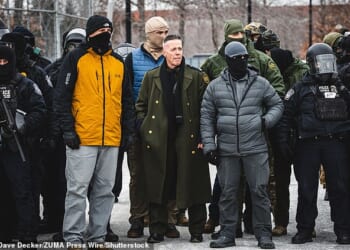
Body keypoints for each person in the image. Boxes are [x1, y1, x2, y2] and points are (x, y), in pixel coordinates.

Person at [54, 15, 135, 249]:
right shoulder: (75, 59)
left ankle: (97, 235)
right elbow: (61, 98)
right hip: (82, 139)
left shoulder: (119, 63)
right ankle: (73, 236)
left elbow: (127, 101)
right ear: (90, 34)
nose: (105, 35)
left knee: (105, 191)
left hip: (110, 138)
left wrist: (128, 132)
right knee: (77, 189)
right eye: (100, 31)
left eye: (108, 31)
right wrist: (67, 130)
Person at [201, 18, 285, 235]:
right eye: (233, 34)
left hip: (256, 136)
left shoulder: (261, 61)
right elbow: (205, 103)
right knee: (227, 187)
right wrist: (211, 136)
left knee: (258, 187)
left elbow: (278, 94)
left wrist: (264, 120)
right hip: (227, 139)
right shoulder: (214, 63)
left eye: (241, 34)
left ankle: (259, 228)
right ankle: (228, 227)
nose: (238, 37)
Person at [135, 34, 211, 244]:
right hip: (159, 140)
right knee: (158, 185)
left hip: (189, 138)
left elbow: (206, 109)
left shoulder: (195, 76)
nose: (177, 53)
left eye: (179, 48)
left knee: (193, 184)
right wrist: (144, 128)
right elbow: (140, 105)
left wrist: (205, 136)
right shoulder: (152, 77)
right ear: (164, 52)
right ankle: (157, 230)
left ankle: (196, 231)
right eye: (173, 49)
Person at [277, 43, 350, 245]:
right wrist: (283, 141)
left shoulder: (342, 87)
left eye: (329, 62)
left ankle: (344, 229)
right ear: (311, 64)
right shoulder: (301, 88)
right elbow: (285, 115)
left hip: (336, 144)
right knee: (307, 189)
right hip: (308, 145)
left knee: (340, 188)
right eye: (321, 63)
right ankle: (305, 229)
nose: (325, 67)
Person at [124, 16, 185, 239]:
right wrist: (135, 126)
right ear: (148, 34)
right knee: (138, 176)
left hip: (169, 128)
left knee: (170, 174)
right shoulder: (132, 59)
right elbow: (127, 94)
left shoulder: (173, 57)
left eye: (166, 31)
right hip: (142, 128)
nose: (163, 35)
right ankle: (138, 219)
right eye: (159, 32)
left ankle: (169, 220)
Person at [0, 44, 46, 247]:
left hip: (17, 146)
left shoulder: (25, 85)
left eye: (5, 61)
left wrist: (23, 127)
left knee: (23, 190)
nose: (1, 65)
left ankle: (27, 232)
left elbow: (40, 110)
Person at [43, 27, 86, 242]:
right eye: (71, 46)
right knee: (61, 182)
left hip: (85, 132)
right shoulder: (54, 69)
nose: (74, 50)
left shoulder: (92, 67)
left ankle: (97, 226)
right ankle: (62, 223)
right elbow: (50, 102)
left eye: (79, 45)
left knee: (91, 185)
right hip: (60, 134)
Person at [269, 47, 309, 236]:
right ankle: (281, 222)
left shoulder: (301, 73)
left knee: (305, 183)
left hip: (300, 133)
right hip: (279, 133)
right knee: (281, 182)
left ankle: (306, 223)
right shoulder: (274, 71)